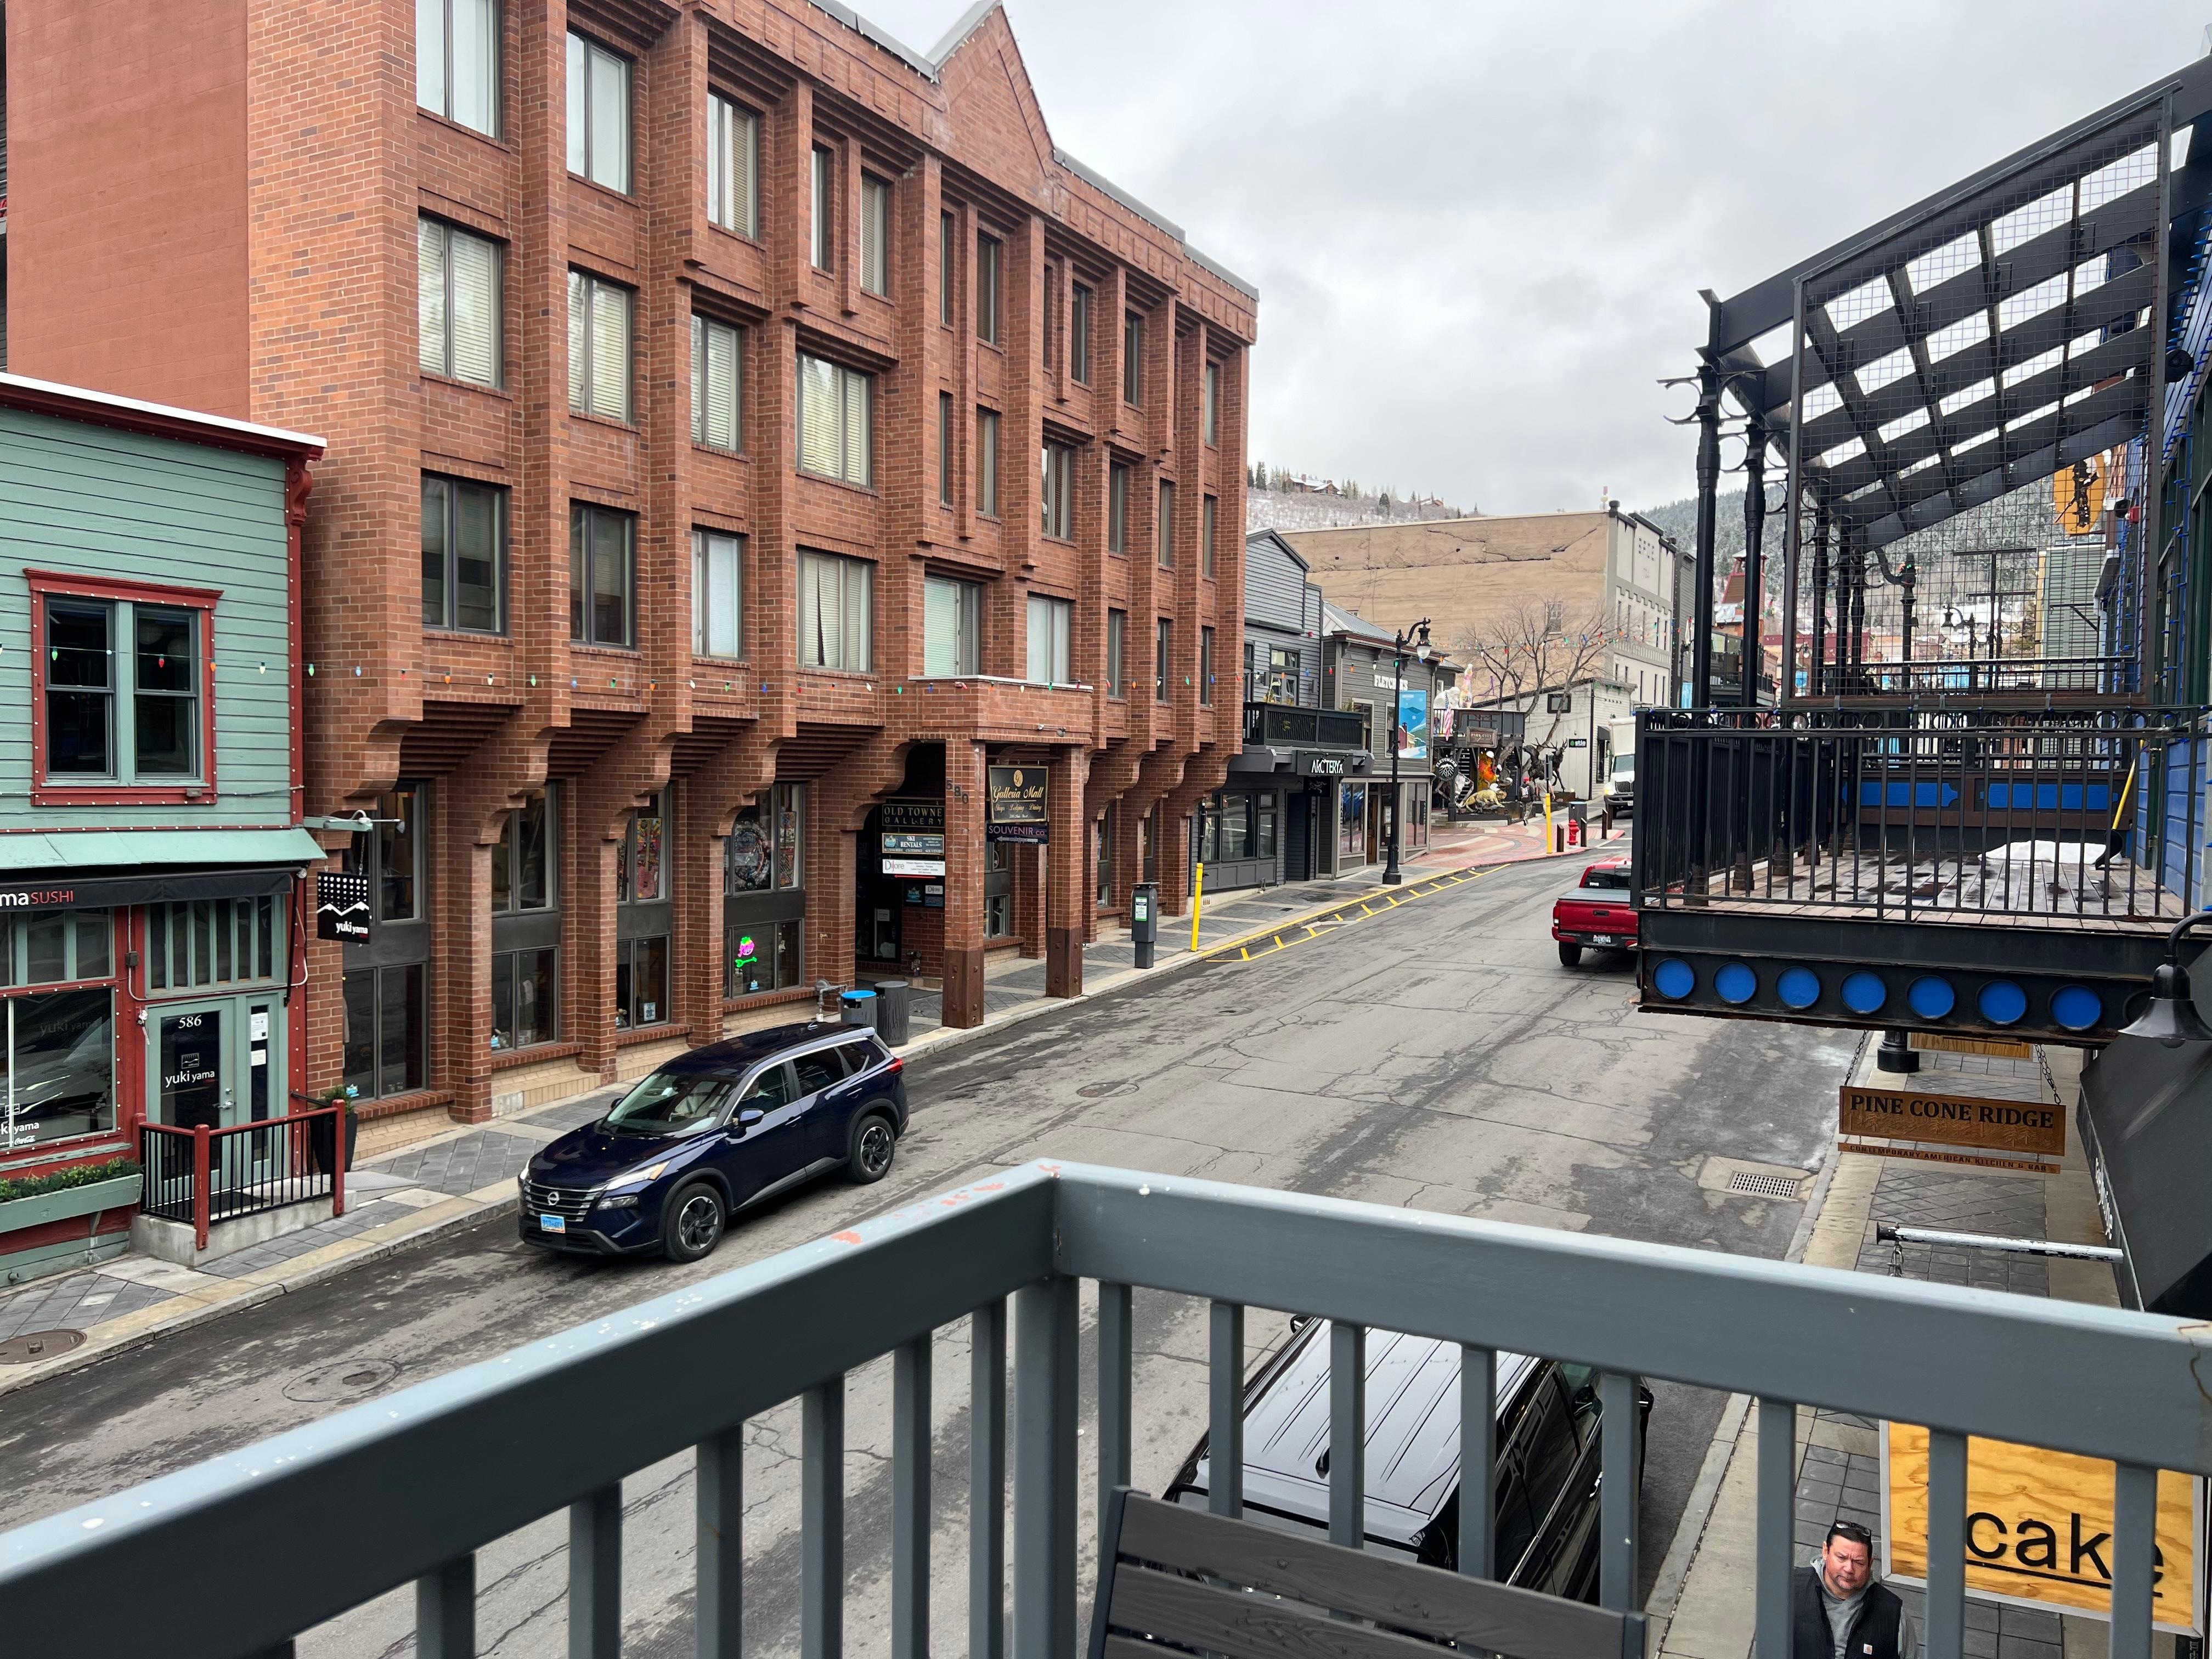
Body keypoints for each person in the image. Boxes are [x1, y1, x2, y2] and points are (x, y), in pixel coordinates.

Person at [1795, 1520, 1916, 1659]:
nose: (1849, 1569)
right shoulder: (1790, 1590)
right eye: (1841, 1558)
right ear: (1826, 1551)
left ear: (1870, 1563)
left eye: (1859, 1562)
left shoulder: (1893, 1615)